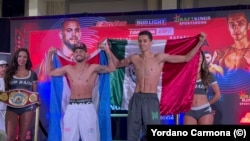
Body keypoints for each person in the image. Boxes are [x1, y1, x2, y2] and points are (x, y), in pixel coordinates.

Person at [108, 30, 206, 141]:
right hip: (136, 98)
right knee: (132, 133)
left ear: (150, 43)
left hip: (151, 99)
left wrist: (199, 43)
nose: (142, 44)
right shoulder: (134, 58)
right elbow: (116, 64)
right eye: (140, 41)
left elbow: (186, 58)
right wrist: (107, 48)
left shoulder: (159, 58)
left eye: (145, 41)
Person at [46, 42, 115, 141]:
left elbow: (111, 68)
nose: (78, 53)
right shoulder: (68, 69)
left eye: (81, 51)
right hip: (72, 107)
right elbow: (50, 72)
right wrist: (49, 55)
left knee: (91, 138)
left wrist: (107, 51)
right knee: (69, 138)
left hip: (87, 107)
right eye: (76, 51)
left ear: (86, 54)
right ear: (73, 55)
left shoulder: (93, 68)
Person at [4, 48, 38, 141]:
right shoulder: (9, 73)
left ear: (27, 59)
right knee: (10, 137)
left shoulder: (32, 74)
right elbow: (5, 91)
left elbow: (35, 94)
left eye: (24, 57)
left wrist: (37, 102)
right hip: (11, 107)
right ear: (16, 57)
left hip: (27, 108)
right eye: (19, 56)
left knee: (22, 137)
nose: (22, 59)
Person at [184, 51, 221, 125]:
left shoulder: (208, 75)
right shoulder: (186, 74)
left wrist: (207, 104)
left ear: (202, 59)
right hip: (190, 111)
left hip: (204, 110)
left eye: (200, 56)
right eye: (195, 56)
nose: (198, 58)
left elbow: (218, 94)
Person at [0, 59, 8, 135]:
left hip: (5, 109)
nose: (4, 69)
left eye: (5, 67)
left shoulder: (7, 80)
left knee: (3, 130)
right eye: (2, 66)